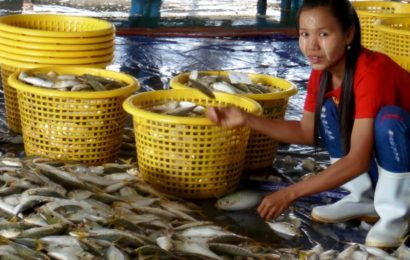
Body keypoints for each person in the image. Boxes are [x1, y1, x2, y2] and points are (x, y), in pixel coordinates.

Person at [206, 0, 410, 248]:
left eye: (324, 34)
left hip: (401, 154)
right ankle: (363, 198)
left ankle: (397, 214)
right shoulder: (322, 71)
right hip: (387, 159)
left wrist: (291, 192)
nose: (311, 45)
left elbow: (357, 159)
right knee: (328, 112)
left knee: (389, 120)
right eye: (304, 34)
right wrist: (247, 119)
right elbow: (306, 132)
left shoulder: (372, 71)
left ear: (349, 34)